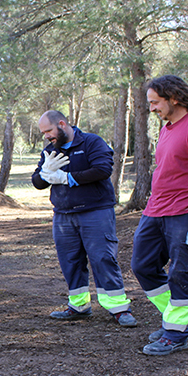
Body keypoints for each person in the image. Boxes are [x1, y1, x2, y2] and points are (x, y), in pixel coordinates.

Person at [134, 75, 188, 355]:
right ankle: (178, 315)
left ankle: (176, 333)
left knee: (182, 273)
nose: (152, 109)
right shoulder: (168, 127)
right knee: (142, 266)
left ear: (174, 98)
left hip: (184, 212)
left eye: (155, 102)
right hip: (156, 210)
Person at [32, 111, 137, 327]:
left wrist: (67, 178)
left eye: (48, 131)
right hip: (63, 215)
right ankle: (79, 306)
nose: (46, 137)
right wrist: (44, 172)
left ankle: (118, 308)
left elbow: (103, 169)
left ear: (62, 124)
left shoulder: (91, 142)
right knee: (70, 261)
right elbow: (38, 182)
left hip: (95, 211)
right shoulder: (50, 150)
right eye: (43, 133)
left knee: (103, 258)